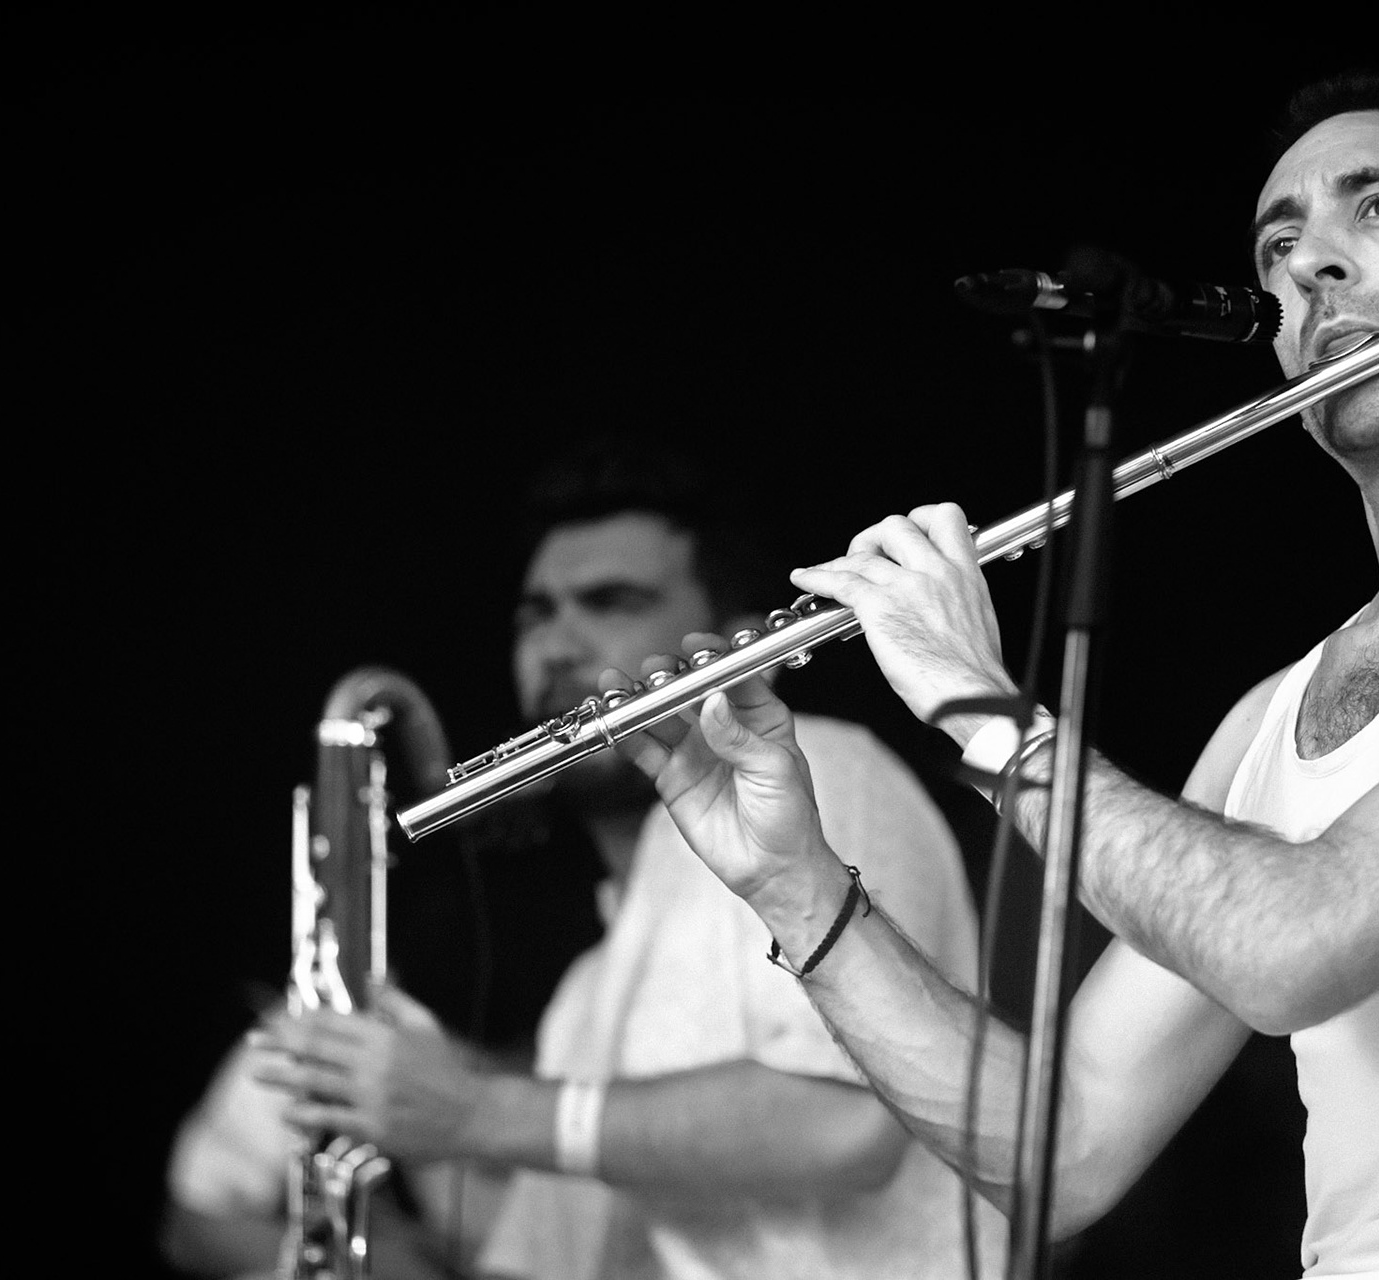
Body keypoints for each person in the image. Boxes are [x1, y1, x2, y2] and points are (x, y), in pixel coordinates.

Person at [603, 74, 1379, 1279]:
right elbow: (1065, 1149)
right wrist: (793, 888)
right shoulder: (1271, 720)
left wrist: (976, 701)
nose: (1313, 262)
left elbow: (1295, 947)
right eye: (1281, 241)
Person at [247, 440, 1005, 1279]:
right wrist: (393, 1098)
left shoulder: (825, 773)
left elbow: (847, 1127)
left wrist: (475, 1109)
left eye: (610, 602)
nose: (558, 644)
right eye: (535, 614)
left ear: (740, 642)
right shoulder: (585, 998)